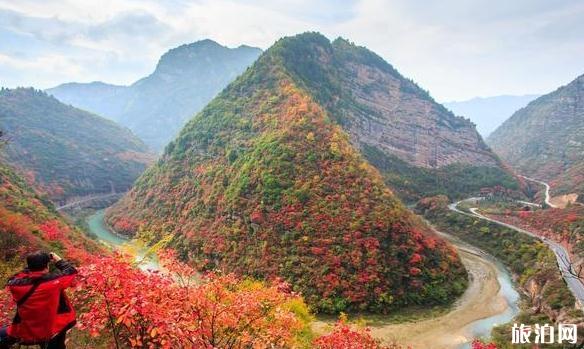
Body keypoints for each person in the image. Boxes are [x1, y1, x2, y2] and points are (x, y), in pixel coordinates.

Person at [0, 251, 77, 349]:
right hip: (52, 329)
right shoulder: (54, 282)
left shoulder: (15, 285)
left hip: (26, 331)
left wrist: (32, 266)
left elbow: (14, 277)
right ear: (47, 266)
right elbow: (71, 271)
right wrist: (58, 260)